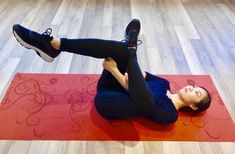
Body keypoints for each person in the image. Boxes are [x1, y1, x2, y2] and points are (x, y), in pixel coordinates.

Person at [12, 19, 211, 124]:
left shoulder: (170, 115)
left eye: (197, 94)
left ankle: (130, 46)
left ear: (193, 107)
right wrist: (120, 65)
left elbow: (138, 96)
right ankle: (54, 45)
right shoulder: (164, 83)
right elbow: (139, 75)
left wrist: (115, 71)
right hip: (115, 84)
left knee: (147, 100)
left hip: (110, 103)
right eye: (195, 87)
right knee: (119, 50)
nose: (192, 89)